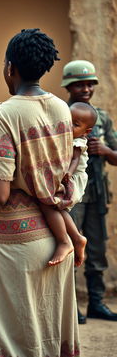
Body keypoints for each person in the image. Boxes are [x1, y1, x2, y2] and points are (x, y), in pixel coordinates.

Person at [0, 29, 86, 357]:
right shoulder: (63, 108)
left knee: (11, 338)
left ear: (9, 67)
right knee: (47, 333)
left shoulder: (2, 113)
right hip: (53, 233)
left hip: (14, 245)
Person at [61, 59, 117, 324]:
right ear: (68, 87)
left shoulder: (102, 118)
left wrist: (105, 151)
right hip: (72, 193)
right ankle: (71, 307)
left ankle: (97, 303)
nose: (85, 89)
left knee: (96, 250)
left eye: (89, 84)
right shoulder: (60, 113)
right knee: (71, 247)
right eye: (78, 84)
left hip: (96, 194)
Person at [39, 101, 98, 267]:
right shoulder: (65, 137)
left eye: (75, 125)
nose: (68, 126)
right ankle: (77, 238)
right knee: (56, 207)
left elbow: (74, 159)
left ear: (86, 131)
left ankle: (66, 240)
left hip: (73, 179)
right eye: (67, 121)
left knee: (50, 204)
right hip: (66, 178)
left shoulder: (78, 141)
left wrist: (68, 174)